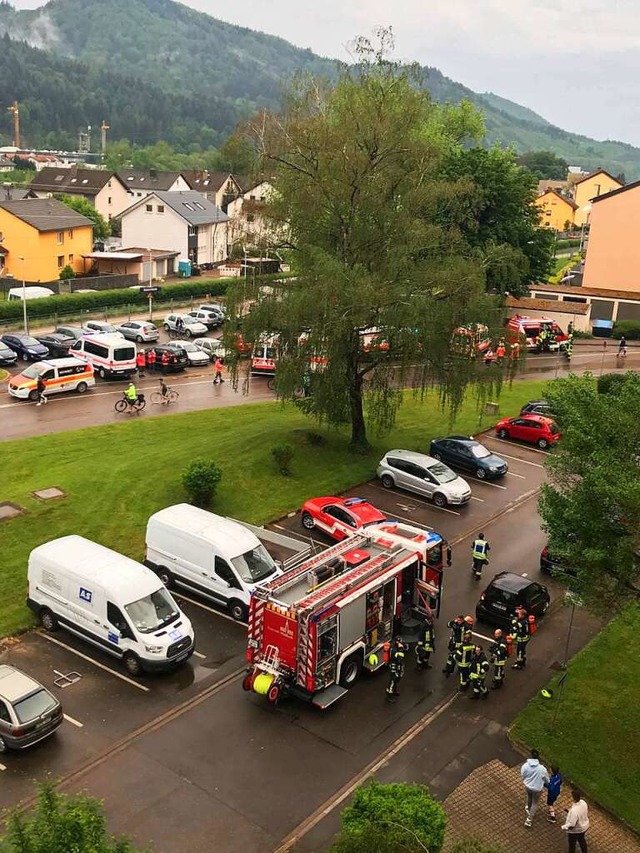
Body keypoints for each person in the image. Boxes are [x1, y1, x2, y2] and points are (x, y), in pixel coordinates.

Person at [521, 748, 550, 827]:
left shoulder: (525, 766)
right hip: (537, 789)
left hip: (528, 786)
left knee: (529, 797)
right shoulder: (542, 769)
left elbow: (523, 775)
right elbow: (547, 780)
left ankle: (529, 809)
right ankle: (529, 820)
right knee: (535, 802)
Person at [386, 637, 406, 702]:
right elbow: (399, 656)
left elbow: (405, 648)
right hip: (394, 665)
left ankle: (395, 690)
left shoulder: (398, 646)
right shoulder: (393, 649)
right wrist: (400, 649)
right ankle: (389, 694)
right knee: (393, 679)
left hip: (399, 665)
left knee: (398, 678)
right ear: (397, 642)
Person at [511, 605, 531, 669]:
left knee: (519, 650)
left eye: (519, 614)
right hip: (526, 637)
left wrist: (513, 620)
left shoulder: (522, 622)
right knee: (522, 650)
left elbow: (516, 625)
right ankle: (523, 659)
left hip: (522, 639)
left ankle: (519, 664)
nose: (518, 615)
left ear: (523, 615)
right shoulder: (525, 620)